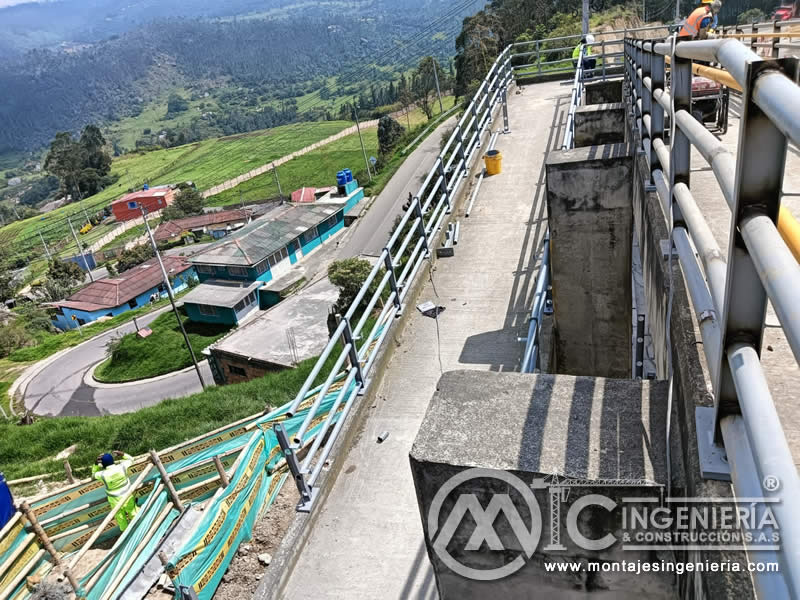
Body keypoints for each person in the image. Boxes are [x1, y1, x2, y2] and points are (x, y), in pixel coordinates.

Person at [92, 451, 139, 531]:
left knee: (121, 519)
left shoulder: (102, 474)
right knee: (134, 513)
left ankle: (126, 534)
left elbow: (93, 475)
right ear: (113, 460)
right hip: (127, 497)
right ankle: (141, 528)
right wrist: (122, 454)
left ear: (102, 464)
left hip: (114, 501)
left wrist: (95, 464)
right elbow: (131, 459)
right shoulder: (122, 467)